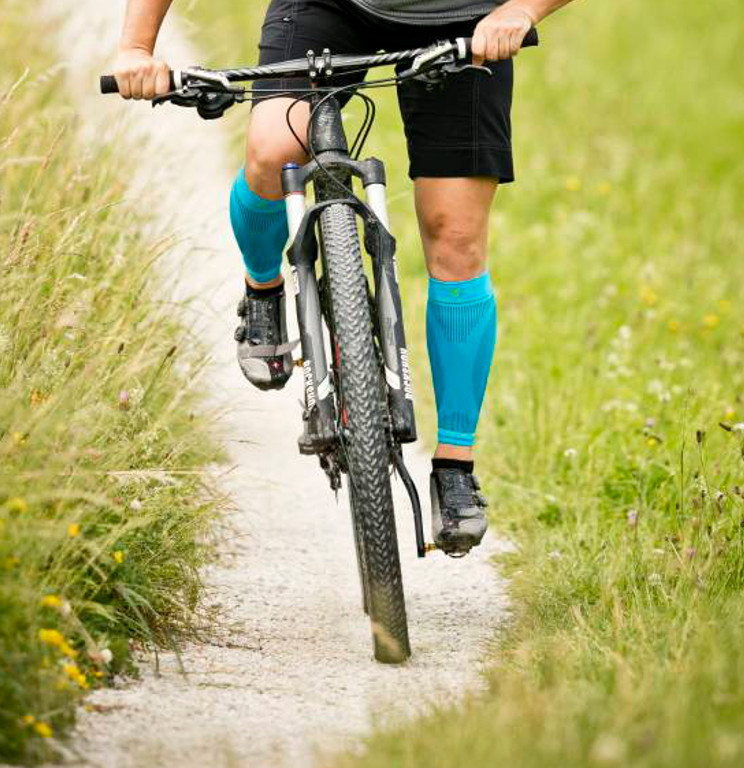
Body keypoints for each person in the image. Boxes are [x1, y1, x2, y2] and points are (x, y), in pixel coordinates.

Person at [113, 0, 576, 555]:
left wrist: (521, 11)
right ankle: (262, 289)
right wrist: (136, 48)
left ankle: (455, 466)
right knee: (273, 153)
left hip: (463, 18)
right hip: (327, 5)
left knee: (457, 237)